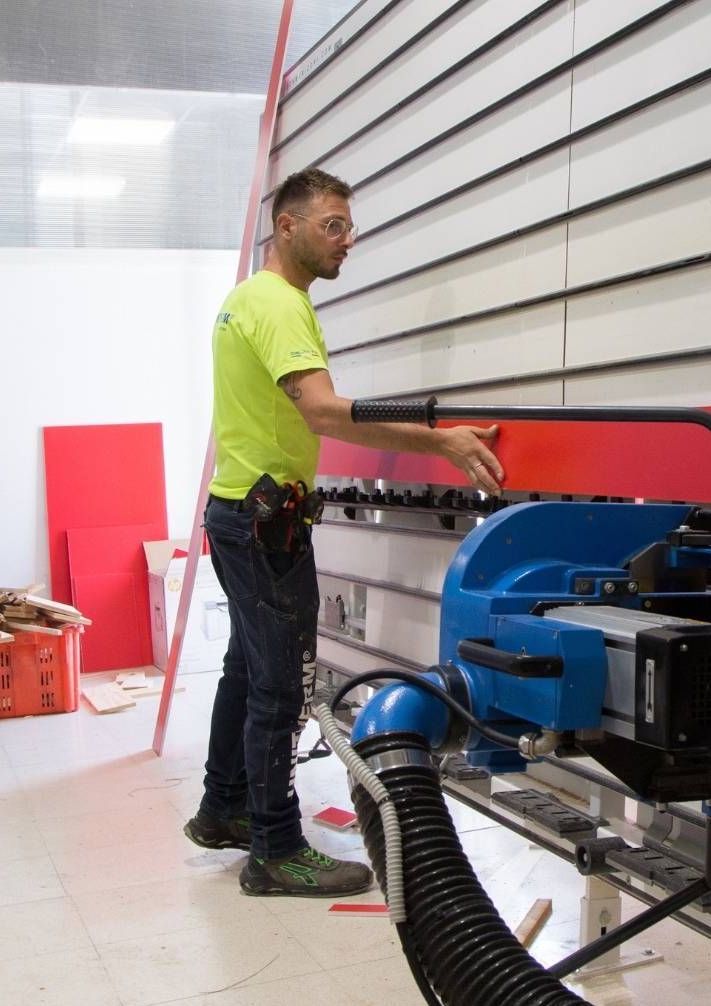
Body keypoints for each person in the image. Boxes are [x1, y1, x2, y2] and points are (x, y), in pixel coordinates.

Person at [183, 167, 504, 897]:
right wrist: (440, 439)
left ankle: (224, 808)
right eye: (333, 225)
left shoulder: (245, 301)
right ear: (286, 226)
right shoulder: (280, 305)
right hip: (265, 526)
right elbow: (324, 412)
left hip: (238, 512)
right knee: (281, 686)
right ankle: (276, 848)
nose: (347, 240)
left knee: (245, 668)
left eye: (349, 226)